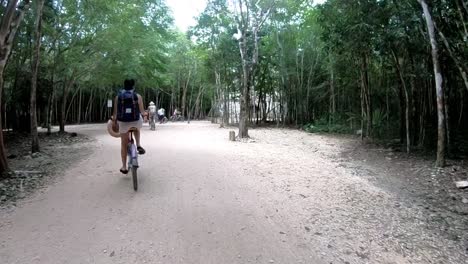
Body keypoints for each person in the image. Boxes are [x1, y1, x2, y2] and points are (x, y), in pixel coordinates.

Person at [112, 79, 147, 174]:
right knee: (137, 126)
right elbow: (142, 112)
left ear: (124, 86)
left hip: (123, 122)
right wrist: (146, 115)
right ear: (133, 86)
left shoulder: (118, 97)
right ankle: (138, 145)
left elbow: (115, 115)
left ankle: (124, 167)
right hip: (136, 121)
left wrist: (114, 122)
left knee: (123, 144)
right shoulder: (138, 96)